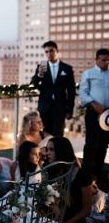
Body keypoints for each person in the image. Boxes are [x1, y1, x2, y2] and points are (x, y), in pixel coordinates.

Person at [31, 41, 75, 137]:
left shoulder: (67, 68)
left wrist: (70, 110)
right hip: (44, 107)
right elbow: (32, 84)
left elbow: (71, 90)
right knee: (43, 135)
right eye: (46, 52)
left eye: (51, 51)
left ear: (57, 51)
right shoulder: (41, 67)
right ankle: (45, 152)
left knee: (58, 135)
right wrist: (39, 75)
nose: (49, 54)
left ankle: (57, 152)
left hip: (60, 107)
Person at [45, 137, 92, 223]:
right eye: (47, 149)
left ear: (62, 150)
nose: (47, 153)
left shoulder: (82, 175)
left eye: (51, 149)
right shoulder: (51, 171)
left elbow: (87, 209)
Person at [79, 48, 109, 179]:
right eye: (103, 60)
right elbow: (83, 93)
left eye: (108, 60)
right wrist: (93, 103)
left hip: (107, 114)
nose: (106, 62)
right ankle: (86, 172)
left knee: (103, 143)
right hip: (93, 112)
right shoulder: (88, 74)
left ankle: (98, 171)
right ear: (96, 60)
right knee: (91, 143)